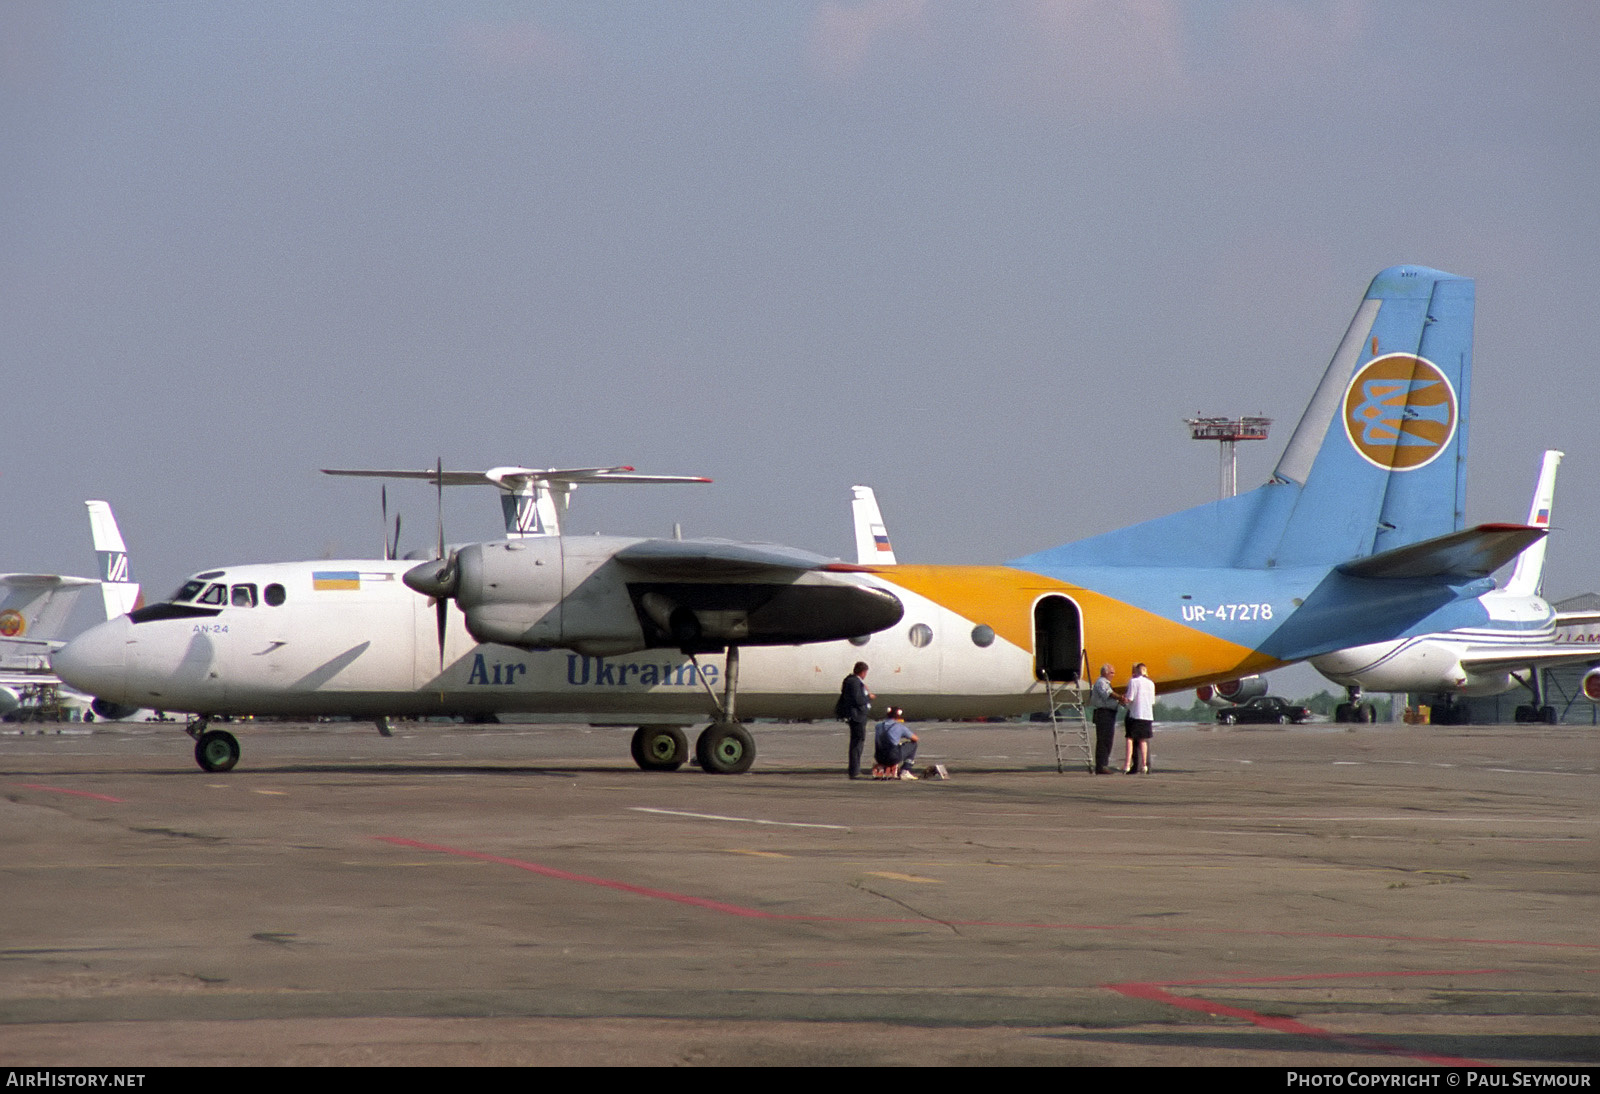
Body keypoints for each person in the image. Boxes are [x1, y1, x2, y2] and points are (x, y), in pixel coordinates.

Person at [836, 661, 873, 779]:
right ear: (862, 672)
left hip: (856, 716)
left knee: (856, 743)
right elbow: (858, 699)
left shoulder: (850, 681)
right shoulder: (855, 682)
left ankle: (854, 769)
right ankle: (854, 770)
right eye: (865, 672)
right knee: (857, 743)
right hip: (857, 717)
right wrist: (868, 697)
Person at [1122, 662, 1155, 774]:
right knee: (1143, 740)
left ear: (1137, 671)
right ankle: (1144, 765)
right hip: (1147, 715)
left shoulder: (1134, 682)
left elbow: (1130, 698)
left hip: (1136, 713)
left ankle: (1127, 764)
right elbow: (1152, 701)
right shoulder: (1151, 683)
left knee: (1130, 738)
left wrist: (1124, 701)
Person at [1090, 663, 1122, 774]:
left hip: (1109, 713)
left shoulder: (1107, 683)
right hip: (1103, 713)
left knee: (1108, 740)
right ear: (1105, 672)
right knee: (1103, 740)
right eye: (1111, 673)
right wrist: (1121, 697)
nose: (1113, 675)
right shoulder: (1101, 682)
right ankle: (1101, 766)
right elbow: (1107, 694)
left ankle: (1104, 764)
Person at [873, 707, 919, 780]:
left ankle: (883, 767)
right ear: (898, 716)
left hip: (879, 757)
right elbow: (915, 738)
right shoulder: (899, 726)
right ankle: (905, 770)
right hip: (893, 757)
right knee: (913, 744)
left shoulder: (878, 726)